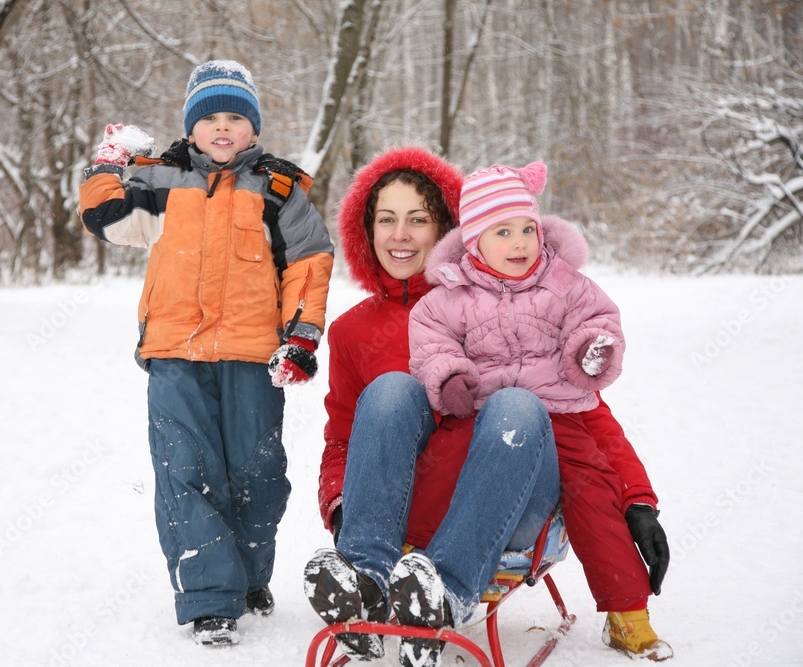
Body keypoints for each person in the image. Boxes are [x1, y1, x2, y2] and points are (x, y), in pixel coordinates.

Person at [304, 147, 670, 667]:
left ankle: (447, 590)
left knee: (516, 404)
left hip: (507, 498)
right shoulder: (353, 332)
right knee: (391, 389)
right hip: (404, 516)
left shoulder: (501, 303)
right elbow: (342, 438)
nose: (400, 235)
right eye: (386, 219)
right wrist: (342, 505)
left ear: (449, 230)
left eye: (418, 219)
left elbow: (586, 417)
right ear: (367, 231)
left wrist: (636, 501)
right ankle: (368, 578)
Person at [78, 59, 334, 646]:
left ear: (253, 129)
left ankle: (248, 577)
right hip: (174, 355)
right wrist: (108, 164)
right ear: (190, 127)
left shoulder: (278, 190)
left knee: (258, 474)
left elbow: (308, 262)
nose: (223, 127)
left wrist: (301, 336)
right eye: (209, 117)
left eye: (235, 118)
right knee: (185, 470)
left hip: (252, 357)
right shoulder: (162, 185)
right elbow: (103, 216)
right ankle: (211, 596)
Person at [409, 160, 672, 661]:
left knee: (594, 491)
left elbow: (597, 318)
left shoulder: (565, 283)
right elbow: (431, 342)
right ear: (473, 242)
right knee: (441, 462)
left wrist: (592, 348)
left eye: (527, 228)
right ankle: (414, 565)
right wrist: (449, 376)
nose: (520, 243)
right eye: (503, 231)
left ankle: (628, 613)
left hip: (561, 414)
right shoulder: (450, 295)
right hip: (486, 419)